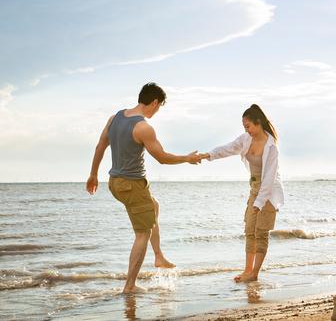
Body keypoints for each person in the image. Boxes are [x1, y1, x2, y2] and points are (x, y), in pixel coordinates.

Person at [85, 82, 206, 294]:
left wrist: (93, 174)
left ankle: (158, 256)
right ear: (155, 103)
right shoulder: (143, 127)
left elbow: (100, 146)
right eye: (158, 107)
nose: (157, 111)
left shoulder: (114, 118)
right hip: (132, 185)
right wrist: (187, 158)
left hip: (115, 182)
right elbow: (162, 157)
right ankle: (129, 286)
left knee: (154, 206)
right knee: (142, 234)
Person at [203, 104, 284, 282]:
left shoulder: (272, 147)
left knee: (260, 232)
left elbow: (269, 179)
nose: (247, 130)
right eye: (244, 127)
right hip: (254, 189)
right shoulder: (246, 139)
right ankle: (248, 270)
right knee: (249, 230)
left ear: (258, 122)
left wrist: (259, 203)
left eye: (248, 126)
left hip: (269, 193)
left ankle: (254, 273)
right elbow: (228, 148)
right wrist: (208, 155)